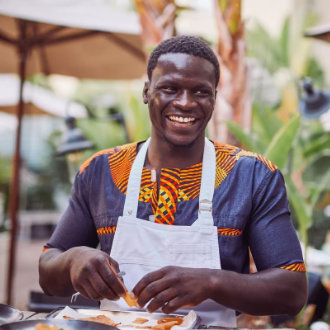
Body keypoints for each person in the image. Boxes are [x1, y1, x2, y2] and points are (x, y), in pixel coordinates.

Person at [39, 35, 307, 328]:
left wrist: (213, 281)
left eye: (200, 92)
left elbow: (292, 291)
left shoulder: (252, 175)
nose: (185, 102)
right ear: (146, 92)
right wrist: (73, 260)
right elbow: (49, 272)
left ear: (215, 98)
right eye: (170, 88)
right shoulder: (101, 171)